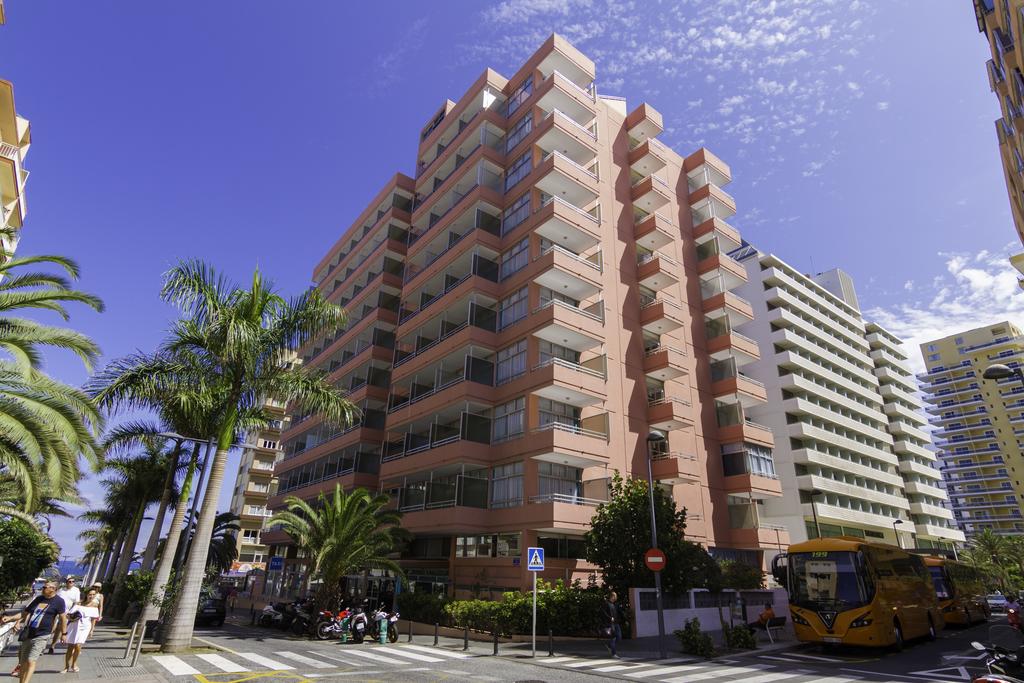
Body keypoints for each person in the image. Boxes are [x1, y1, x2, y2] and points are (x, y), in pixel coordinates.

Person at [1, 580, 67, 683]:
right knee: (23, 662)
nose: (42, 589)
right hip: (29, 633)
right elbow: (24, 613)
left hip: (42, 635)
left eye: (45, 587)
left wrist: (64, 633)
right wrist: (10, 618)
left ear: (53, 589)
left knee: (31, 660)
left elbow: (63, 618)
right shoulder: (39, 599)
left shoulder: (59, 601)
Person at [60, 588, 101, 673]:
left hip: (85, 627)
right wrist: (72, 617)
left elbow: (93, 619)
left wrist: (92, 630)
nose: (91, 596)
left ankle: (74, 664)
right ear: (87, 594)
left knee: (78, 646)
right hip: (74, 625)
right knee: (70, 647)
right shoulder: (79, 603)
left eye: (93, 595)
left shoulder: (95, 605)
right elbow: (68, 615)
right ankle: (66, 666)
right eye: (90, 594)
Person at [46, 578, 79, 654]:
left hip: (65, 613)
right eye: (69, 581)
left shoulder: (76, 590)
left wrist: (70, 613)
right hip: (55, 612)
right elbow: (54, 598)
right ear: (66, 582)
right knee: (51, 628)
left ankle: (52, 646)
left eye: (72, 581)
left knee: (59, 630)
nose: (71, 583)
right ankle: (43, 645)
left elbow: (76, 603)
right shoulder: (61, 590)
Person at [601, 591, 622, 658]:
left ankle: (609, 646)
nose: (616, 598)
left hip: (616, 623)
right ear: (612, 596)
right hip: (610, 624)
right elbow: (603, 613)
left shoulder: (614, 604)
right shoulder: (606, 603)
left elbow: (618, 612)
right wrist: (610, 618)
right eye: (615, 596)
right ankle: (613, 654)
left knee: (619, 637)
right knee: (613, 638)